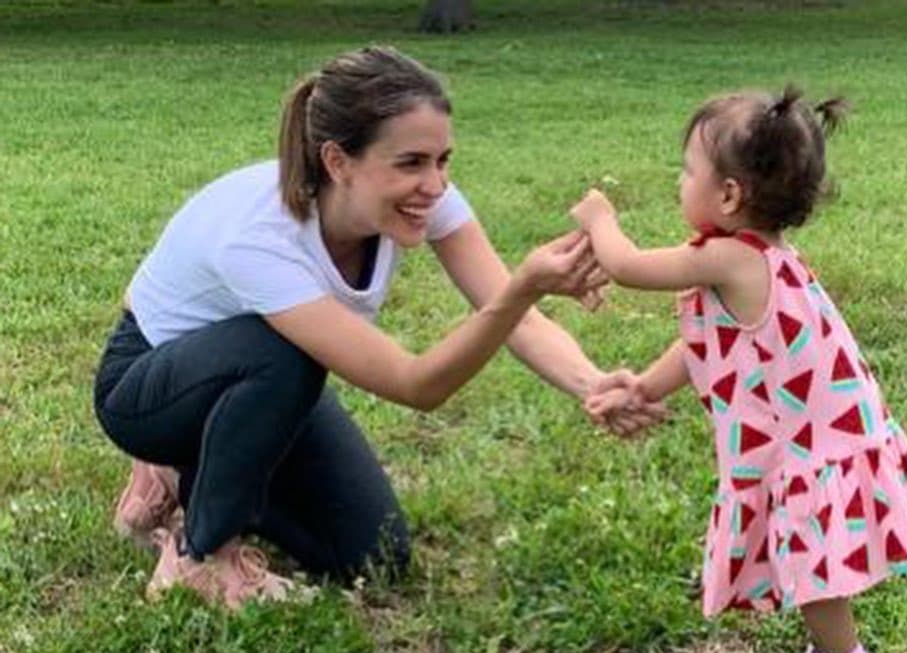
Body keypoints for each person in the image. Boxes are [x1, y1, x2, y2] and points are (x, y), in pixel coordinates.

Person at [94, 46, 661, 611]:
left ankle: (191, 480)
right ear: (338, 162)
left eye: (443, 160)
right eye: (411, 163)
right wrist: (524, 287)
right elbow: (416, 385)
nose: (435, 185)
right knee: (282, 354)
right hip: (148, 389)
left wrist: (592, 384)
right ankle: (201, 556)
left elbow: (517, 318)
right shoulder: (260, 236)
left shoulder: (420, 199)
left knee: (374, 556)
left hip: (260, 388)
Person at [572, 85, 907, 653]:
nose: (680, 180)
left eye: (687, 170)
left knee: (814, 571)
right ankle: (825, 648)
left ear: (728, 195)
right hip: (817, 438)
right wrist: (644, 384)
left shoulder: (729, 259)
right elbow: (709, 349)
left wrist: (599, 221)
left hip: (808, 448)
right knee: (810, 556)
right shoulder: (760, 260)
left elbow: (629, 266)